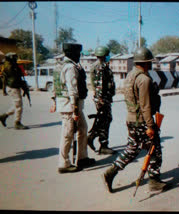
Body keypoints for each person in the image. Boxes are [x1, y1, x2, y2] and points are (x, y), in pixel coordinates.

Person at [101, 47, 166, 193]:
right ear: (147, 62)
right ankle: (154, 181)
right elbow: (145, 105)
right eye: (150, 62)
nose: (151, 65)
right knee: (155, 150)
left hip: (131, 119)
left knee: (132, 149)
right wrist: (150, 126)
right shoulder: (144, 79)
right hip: (142, 121)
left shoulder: (130, 76)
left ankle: (110, 172)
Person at [50, 43, 95, 173]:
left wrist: (53, 101)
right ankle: (63, 164)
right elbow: (73, 90)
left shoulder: (60, 65)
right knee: (67, 135)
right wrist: (75, 110)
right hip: (70, 107)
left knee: (83, 128)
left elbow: (55, 86)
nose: (79, 56)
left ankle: (82, 157)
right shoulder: (70, 68)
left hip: (70, 106)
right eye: (78, 53)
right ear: (74, 54)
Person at [87, 46, 117, 155]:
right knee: (105, 120)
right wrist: (100, 100)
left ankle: (97, 140)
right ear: (105, 55)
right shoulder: (100, 66)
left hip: (103, 97)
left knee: (104, 120)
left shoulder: (98, 65)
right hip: (103, 98)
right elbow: (99, 85)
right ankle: (97, 141)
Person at [0, 52, 29, 130]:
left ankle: (4, 116)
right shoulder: (9, 67)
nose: (16, 59)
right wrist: (22, 85)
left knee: (16, 106)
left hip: (13, 87)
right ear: (10, 58)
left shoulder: (12, 66)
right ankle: (17, 123)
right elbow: (15, 79)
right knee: (19, 107)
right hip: (13, 88)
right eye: (14, 57)